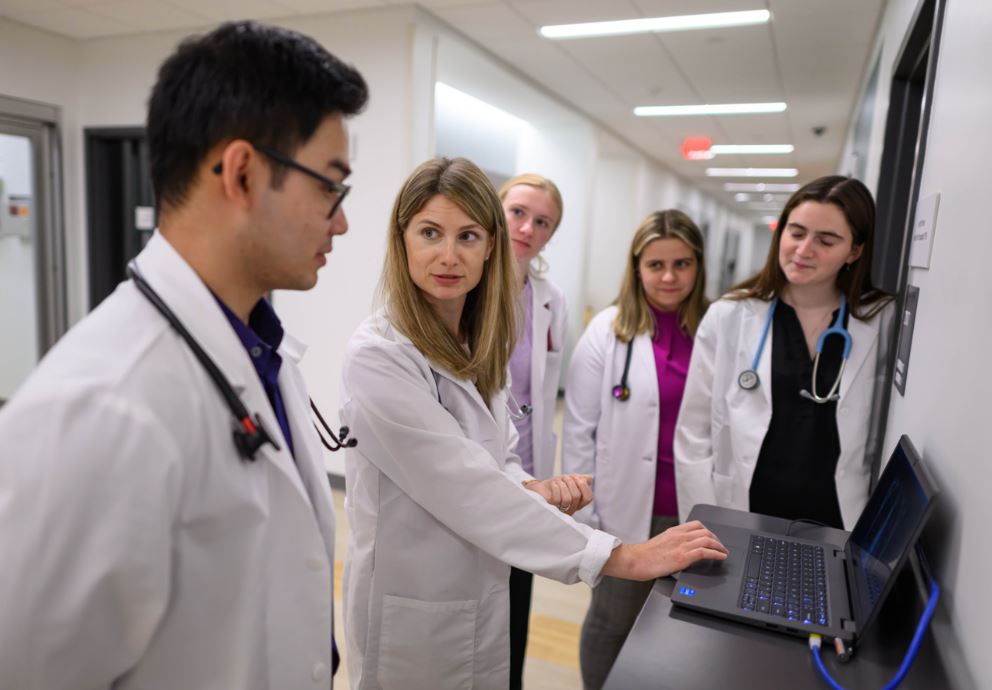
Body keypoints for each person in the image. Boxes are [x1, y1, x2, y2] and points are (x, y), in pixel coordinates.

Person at [0, 21, 367, 689]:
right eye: (330, 186)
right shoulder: (101, 406)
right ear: (243, 173)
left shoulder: (257, 347)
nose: (341, 220)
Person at [339, 157, 727, 690]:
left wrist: (533, 486)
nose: (449, 255)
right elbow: (465, 487)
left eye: (468, 236)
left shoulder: (478, 341)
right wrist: (620, 555)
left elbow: (497, 459)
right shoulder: (379, 355)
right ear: (401, 239)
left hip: (479, 587)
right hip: (417, 604)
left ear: (490, 247)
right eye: (430, 233)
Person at [675, 175, 895, 532]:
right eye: (796, 232)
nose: (804, 250)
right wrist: (702, 527)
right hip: (744, 516)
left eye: (826, 240)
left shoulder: (879, 319)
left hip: (838, 521)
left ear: (854, 250)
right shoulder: (730, 315)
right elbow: (693, 434)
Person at [563, 210, 709, 690]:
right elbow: (579, 430)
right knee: (611, 624)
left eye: (682, 264)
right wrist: (586, 516)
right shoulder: (607, 331)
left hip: (694, 511)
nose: (669, 277)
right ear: (637, 267)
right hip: (625, 511)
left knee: (682, 630)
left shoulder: (714, 330)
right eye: (656, 265)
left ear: (698, 266)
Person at [498, 173, 568, 689]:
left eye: (542, 222)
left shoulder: (549, 300)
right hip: (481, 470)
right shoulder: (467, 284)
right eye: (518, 211)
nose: (526, 227)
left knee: (516, 601)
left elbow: (545, 391)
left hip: (528, 477)